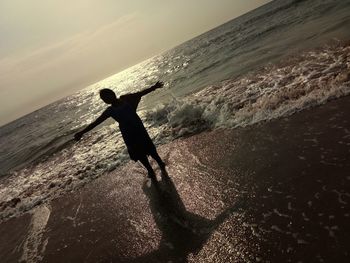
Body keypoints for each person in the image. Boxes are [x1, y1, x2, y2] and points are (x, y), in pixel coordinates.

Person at [74, 81, 166, 179]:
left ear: (113, 93)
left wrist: (154, 87)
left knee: (150, 148)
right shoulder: (110, 111)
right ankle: (150, 170)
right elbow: (96, 122)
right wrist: (82, 132)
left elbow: (140, 94)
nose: (106, 99)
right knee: (139, 153)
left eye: (107, 96)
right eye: (104, 99)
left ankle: (160, 163)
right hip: (128, 134)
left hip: (139, 129)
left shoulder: (125, 98)